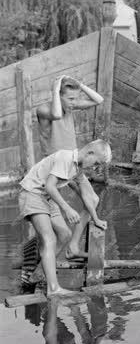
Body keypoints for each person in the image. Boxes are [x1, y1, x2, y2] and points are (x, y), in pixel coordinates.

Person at [18, 140, 112, 296]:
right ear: (90, 153)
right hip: (32, 193)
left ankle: (39, 272)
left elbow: (87, 197)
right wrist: (67, 208)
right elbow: (49, 186)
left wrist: (95, 219)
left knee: (65, 235)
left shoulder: (78, 169)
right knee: (49, 239)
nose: (95, 167)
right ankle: (53, 289)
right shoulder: (65, 158)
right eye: (96, 163)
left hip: (45, 197)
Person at [36, 75, 104, 258]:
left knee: (93, 200)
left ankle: (73, 247)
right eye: (71, 98)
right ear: (58, 95)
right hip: (54, 168)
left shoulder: (70, 107)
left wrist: (80, 85)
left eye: (76, 98)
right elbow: (56, 114)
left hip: (74, 166)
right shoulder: (43, 109)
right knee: (55, 224)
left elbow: (99, 100)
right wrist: (55, 86)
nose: (74, 103)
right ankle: (43, 261)